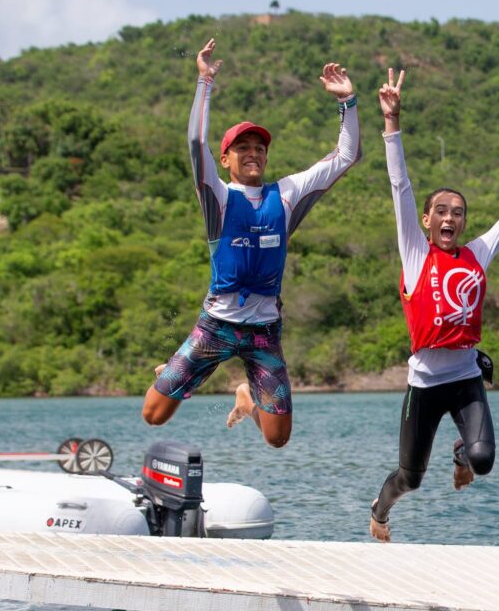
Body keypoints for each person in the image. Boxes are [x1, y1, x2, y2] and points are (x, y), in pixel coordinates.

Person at [369, 69, 499, 542]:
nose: (450, 217)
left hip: (464, 377)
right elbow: (400, 186)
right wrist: (392, 125)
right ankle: (379, 510)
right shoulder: (416, 253)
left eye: (458, 212)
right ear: (427, 220)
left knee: (482, 460)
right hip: (423, 381)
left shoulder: (478, 252)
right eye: (442, 210)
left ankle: (460, 456)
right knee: (410, 478)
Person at [142, 38, 361, 448]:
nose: (253, 153)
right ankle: (185, 369)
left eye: (259, 148)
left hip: (263, 332)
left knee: (278, 439)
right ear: (225, 160)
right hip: (216, 327)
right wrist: (204, 82)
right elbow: (195, 144)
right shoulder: (219, 198)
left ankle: (245, 395)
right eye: (242, 148)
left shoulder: (289, 194)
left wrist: (347, 102)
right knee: (153, 416)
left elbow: (346, 157)